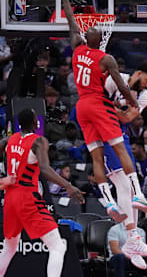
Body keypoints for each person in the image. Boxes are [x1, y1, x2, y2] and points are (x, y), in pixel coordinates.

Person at [61, 0, 147, 222]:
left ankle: (108, 202)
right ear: (101, 39)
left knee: (96, 157)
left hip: (81, 106)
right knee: (121, 150)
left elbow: (70, 18)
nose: (91, 28)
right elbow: (122, 85)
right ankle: (139, 195)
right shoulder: (106, 59)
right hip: (99, 106)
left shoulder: (78, 46)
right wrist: (134, 102)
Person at [0, 108, 84, 277]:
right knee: (58, 246)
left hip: (10, 197)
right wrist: (68, 185)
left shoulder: (8, 140)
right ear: (34, 123)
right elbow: (45, 169)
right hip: (27, 196)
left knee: (10, 246)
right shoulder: (39, 141)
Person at [102, 60, 147, 267]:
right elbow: (97, 107)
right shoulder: (114, 80)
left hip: (120, 133)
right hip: (103, 134)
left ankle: (133, 241)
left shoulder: (146, 95)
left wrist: (110, 107)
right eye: (145, 80)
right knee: (124, 185)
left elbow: (127, 118)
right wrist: (114, 109)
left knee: (131, 185)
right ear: (137, 72)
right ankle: (132, 239)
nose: (145, 86)